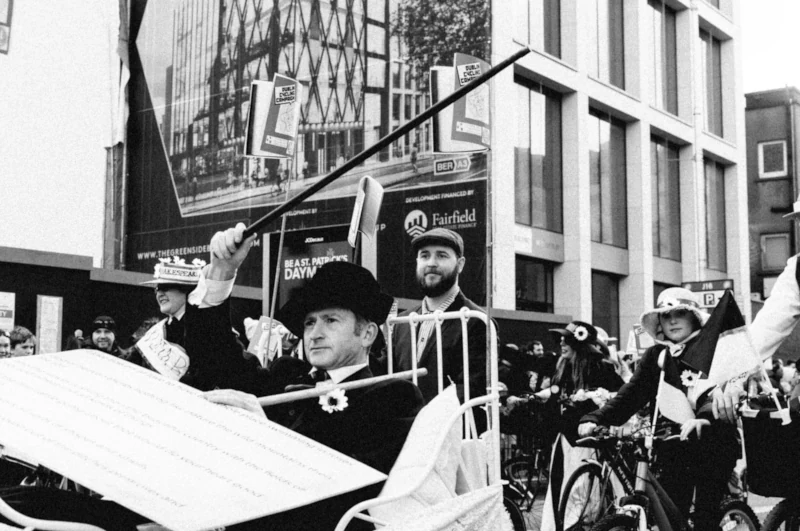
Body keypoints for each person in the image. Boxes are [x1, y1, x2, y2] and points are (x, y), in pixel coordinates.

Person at [204, 260, 424, 531]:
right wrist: (221, 276)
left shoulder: (393, 397)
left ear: (367, 334)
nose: (315, 334)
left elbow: (346, 491)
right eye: (309, 323)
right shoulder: (285, 374)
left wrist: (265, 437)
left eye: (331, 320)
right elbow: (218, 361)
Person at [578, 288, 740, 530]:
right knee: (669, 516)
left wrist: (704, 417)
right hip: (672, 444)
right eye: (665, 316)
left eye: (679, 313)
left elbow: (717, 390)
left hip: (713, 442)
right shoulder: (657, 355)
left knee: (705, 518)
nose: (672, 320)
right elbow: (631, 394)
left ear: (694, 317)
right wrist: (595, 418)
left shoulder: (714, 348)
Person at [132, 228, 262, 393]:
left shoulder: (207, 326)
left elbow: (226, 361)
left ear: (186, 290)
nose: (159, 293)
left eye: (166, 287)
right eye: (156, 288)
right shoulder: (155, 333)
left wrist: (221, 272)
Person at [390, 228, 488, 414]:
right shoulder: (401, 323)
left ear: (460, 264)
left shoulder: (476, 321)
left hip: (451, 435)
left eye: (442, 256)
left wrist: (423, 417)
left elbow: (473, 386)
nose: (431, 263)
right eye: (424, 256)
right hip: (404, 435)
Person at [539, 320, 623, 531]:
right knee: (563, 485)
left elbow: (620, 395)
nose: (561, 344)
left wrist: (595, 401)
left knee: (585, 487)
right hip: (565, 438)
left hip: (588, 439)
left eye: (566, 340)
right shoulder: (562, 367)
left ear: (579, 342)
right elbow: (555, 401)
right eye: (560, 340)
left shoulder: (599, 366)